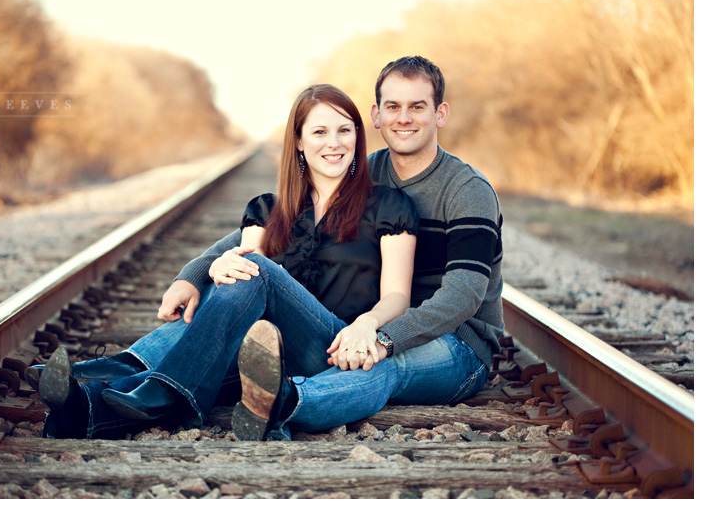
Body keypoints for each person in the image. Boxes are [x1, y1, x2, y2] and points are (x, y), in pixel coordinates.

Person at [147, 55, 505, 440]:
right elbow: (270, 227)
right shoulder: (363, 175)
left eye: (418, 107)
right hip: (375, 326)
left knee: (381, 366)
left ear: (440, 114)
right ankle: (116, 384)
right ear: (377, 115)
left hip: (455, 343)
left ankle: (284, 402)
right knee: (226, 314)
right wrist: (195, 273)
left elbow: (464, 296)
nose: (405, 118)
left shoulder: (467, 191)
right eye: (393, 107)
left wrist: (382, 337)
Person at [34, 84, 419, 440]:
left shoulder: (388, 206)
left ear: (358, 135)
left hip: (334, 350)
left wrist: (366, 326)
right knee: (240, 276)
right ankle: (83, 408)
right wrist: (217, 269)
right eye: (319, 132)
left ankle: (132, 371)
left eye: (344, 130)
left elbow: (398, 296)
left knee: (254, 269)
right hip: (262, 360)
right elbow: (242, 285)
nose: (333, 143)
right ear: (299, 141)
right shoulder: (268, 209)